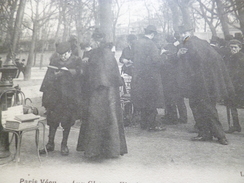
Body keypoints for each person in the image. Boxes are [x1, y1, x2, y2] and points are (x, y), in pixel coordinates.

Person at [177, 25, 234, 145]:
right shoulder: (202, 42)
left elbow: (194, 62)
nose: (182, 36)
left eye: (184, 33)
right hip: (209, 82)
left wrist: (180, 56)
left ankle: (220, 136)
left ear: (190, 32)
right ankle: (205, 133)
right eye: (181, 33)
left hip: (200, 84)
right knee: (202, 107)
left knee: (205, 108)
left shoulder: (189, 44)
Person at [76, 28, 127, 159]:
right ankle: (111, 150)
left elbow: (91, 74)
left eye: (93, 40)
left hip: (97, 91)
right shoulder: (108, 53)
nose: (92, 42)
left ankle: (94, 150)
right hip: (110, 92)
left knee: (95, 118)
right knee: (110, 118)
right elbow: (114, 74)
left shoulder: (95, 54)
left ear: (97, 40)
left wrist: (85, 65)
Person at [39, 41, 83, 155]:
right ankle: (50, 143)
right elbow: (47, 78)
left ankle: (64, 145)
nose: (62, 57)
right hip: (55, 97)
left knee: (67, 122)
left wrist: (69, 72)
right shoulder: (54, 61)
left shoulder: (77, 60)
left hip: (69, 97)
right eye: (60, 55)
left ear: (69, 52)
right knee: (52, 121)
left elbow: (82, 73)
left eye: (65, 54)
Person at [131, 25, 165, 131]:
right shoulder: (151, 44)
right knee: (151, 100)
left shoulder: (136, 43)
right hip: (150, 77)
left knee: (143, 100)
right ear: (152, 34)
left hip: (139, 76)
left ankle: (144, 124)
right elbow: (156, 61)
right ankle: (152, 125)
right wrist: (163, 56)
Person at [161, 35, 187, 125]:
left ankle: (172, 117)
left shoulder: (167, 48)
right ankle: (183, 117)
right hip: (178, 77)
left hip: (169, 78)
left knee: (170, 98)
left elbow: (167, 62)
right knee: (180, 99)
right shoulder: (178, 47)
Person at [225, 39, 244, 133]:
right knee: (231, 106)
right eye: (231, 47)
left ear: (240, 48)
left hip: (240, 86)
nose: (233, 49)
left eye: (235, 47)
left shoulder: (241, 59)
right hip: (232, 86)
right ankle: (236, 125)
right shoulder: (229, 58)